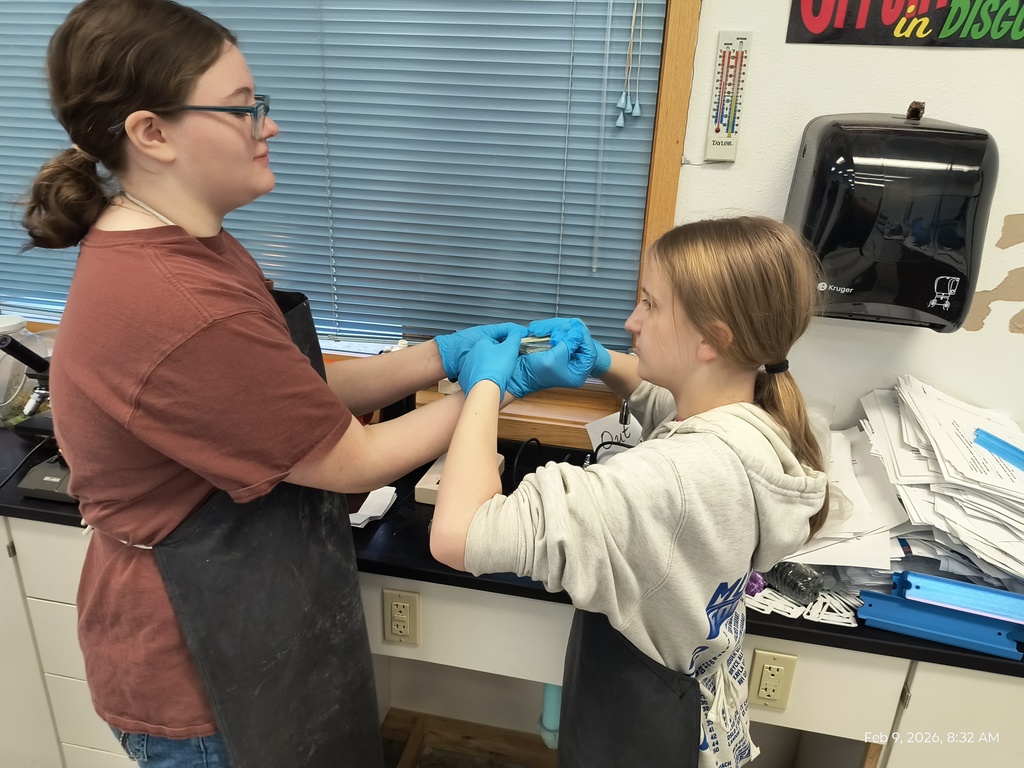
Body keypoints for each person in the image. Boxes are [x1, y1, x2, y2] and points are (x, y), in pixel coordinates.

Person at [22, 1, 582, 766]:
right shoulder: (172, 300)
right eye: (243, 107)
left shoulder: (194, 248)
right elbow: (345, 459)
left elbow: (295, 399)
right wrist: (492, 388)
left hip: (256, 626)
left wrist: (443, 356)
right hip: (202, 675)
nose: (268, 125)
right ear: (151, 133)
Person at [430, 215, 831, 768]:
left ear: (713, 339)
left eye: (651, 304)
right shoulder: (754, 423)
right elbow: (672, 407)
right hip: (690, 714)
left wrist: (485, 387)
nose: (631, 321)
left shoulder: (671, 480)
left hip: (639, 737)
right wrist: (599, 362)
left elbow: (459, 534)